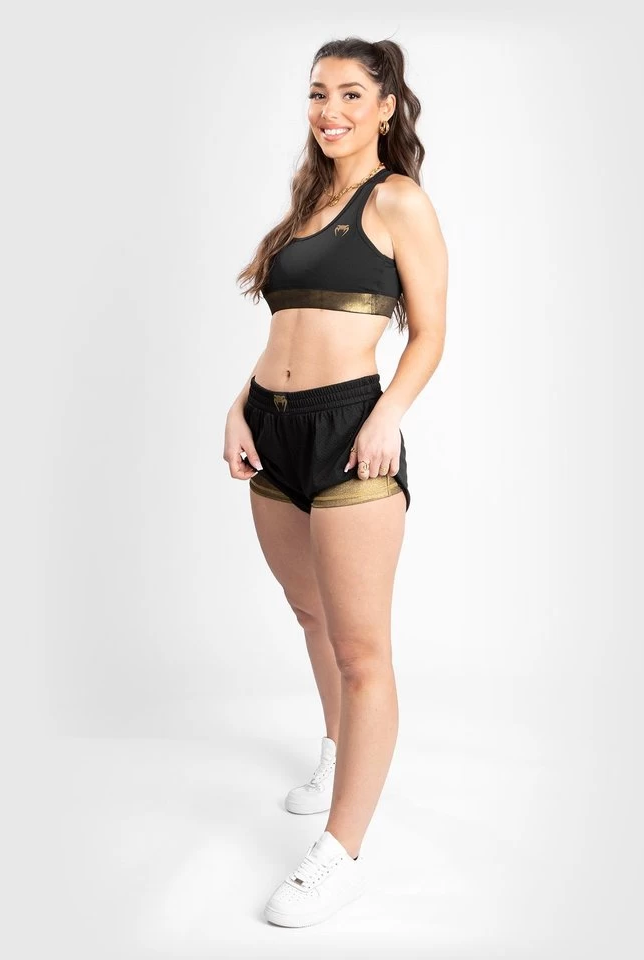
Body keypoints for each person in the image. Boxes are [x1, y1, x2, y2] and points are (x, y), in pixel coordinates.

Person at [224, 36, 448, 927]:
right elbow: (284, 336)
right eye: (319, 93)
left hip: (352, 431)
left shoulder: (397, 200)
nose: (331, 110)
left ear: (386, 107)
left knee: (362, 651)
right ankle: (335, 750)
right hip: (271, 431)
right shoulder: (307, 200)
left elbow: (431, 331)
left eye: (352, 94)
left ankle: (340, 854)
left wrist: (389, 413)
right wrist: (238, 407)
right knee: (309, 613)